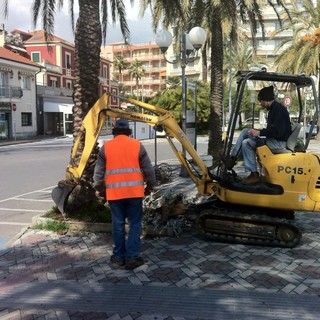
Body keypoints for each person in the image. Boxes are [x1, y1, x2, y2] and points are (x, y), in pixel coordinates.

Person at [93, 118, 156, 270]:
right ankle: (133, 257)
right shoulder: (137, 145)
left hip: (114, 194)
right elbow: (148, 170)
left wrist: (100, 189)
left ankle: (119, 257)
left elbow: (98, 175)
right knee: (135, 224)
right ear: (129, 131)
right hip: (135, 193)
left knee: (118, 224)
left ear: (114, 132)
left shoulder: (106, 148)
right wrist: (151, 186)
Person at [226, 85, 292, 185]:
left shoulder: (279, 111)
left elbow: (278, 132)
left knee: (246, 143)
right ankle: (232, 158)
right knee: (245, 131)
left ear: (267, 100)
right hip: (274, 140)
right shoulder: (274, 109)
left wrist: (259, 133)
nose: (260, 103)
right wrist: (258, 132)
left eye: (261, 101)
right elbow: (272, 130)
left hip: (278, 143)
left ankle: (253, 173)